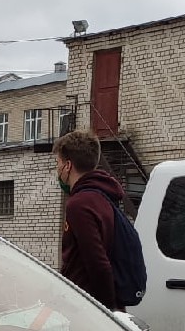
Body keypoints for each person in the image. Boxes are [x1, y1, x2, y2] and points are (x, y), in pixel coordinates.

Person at [55, 129, 129, 310]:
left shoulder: (79, 204)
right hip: (101, 303)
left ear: (68, 165)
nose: (57, 168)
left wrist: (108, 313)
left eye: (57, 162)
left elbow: (98, 262)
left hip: (88, 306)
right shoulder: (104, 195)